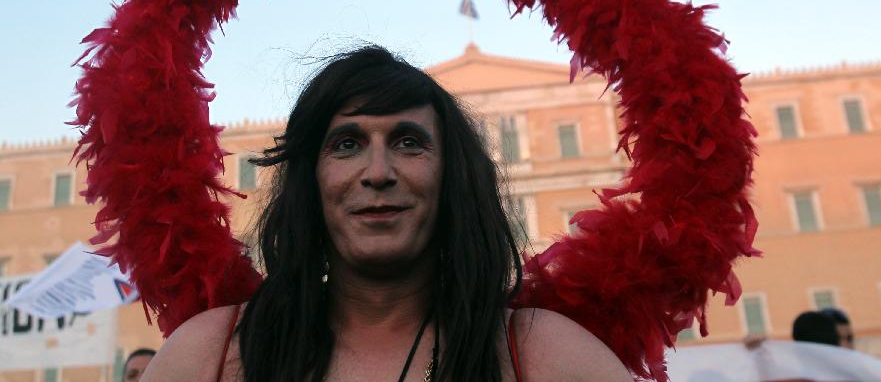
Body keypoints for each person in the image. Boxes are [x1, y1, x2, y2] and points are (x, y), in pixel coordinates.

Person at [142, 47, 631, 381]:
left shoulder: (546, 354)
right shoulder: (207, 355)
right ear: (311, 181)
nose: (378, 172)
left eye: (409, 142)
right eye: (347, 144)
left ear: (451, 178)